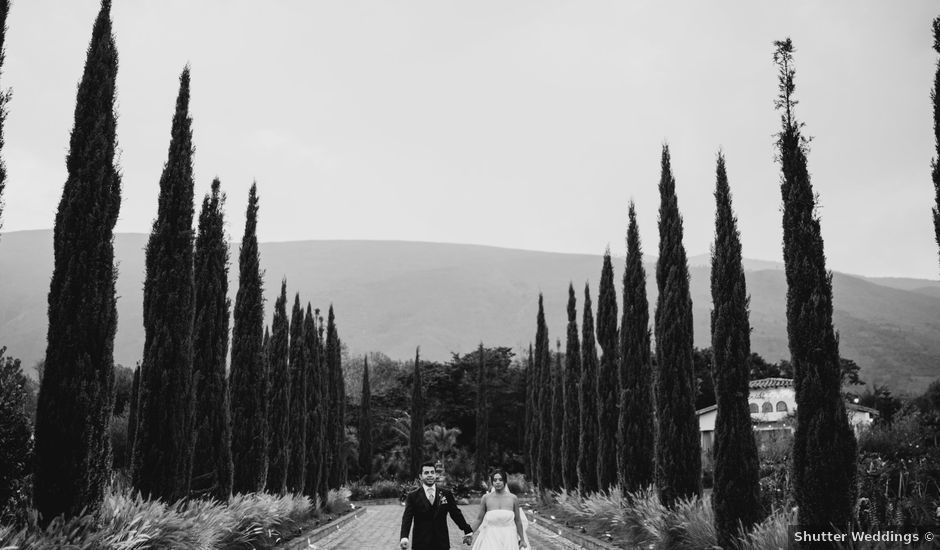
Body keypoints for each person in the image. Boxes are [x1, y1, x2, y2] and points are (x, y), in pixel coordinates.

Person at [400, 461, 474, 549]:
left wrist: (467, 530)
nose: (430, 475)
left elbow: (455, 514)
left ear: (436, 475)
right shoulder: (413, 496)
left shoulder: (446, 494)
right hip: (421, 543)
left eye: (432, 472)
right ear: (420, 476)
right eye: (426, 473)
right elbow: (407, 518)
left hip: (441, 542)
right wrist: (404, 537)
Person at [469, 470, 529, 550]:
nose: (497, 482)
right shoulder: (486, 498)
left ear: (505, 481)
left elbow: (518, 520)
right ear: (492, 482)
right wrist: (470, 533)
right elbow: (479, 519)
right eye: (495, 480)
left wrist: (522, 539)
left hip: (508, 537)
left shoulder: (513, 498)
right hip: (490, 536)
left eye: (500, 480)